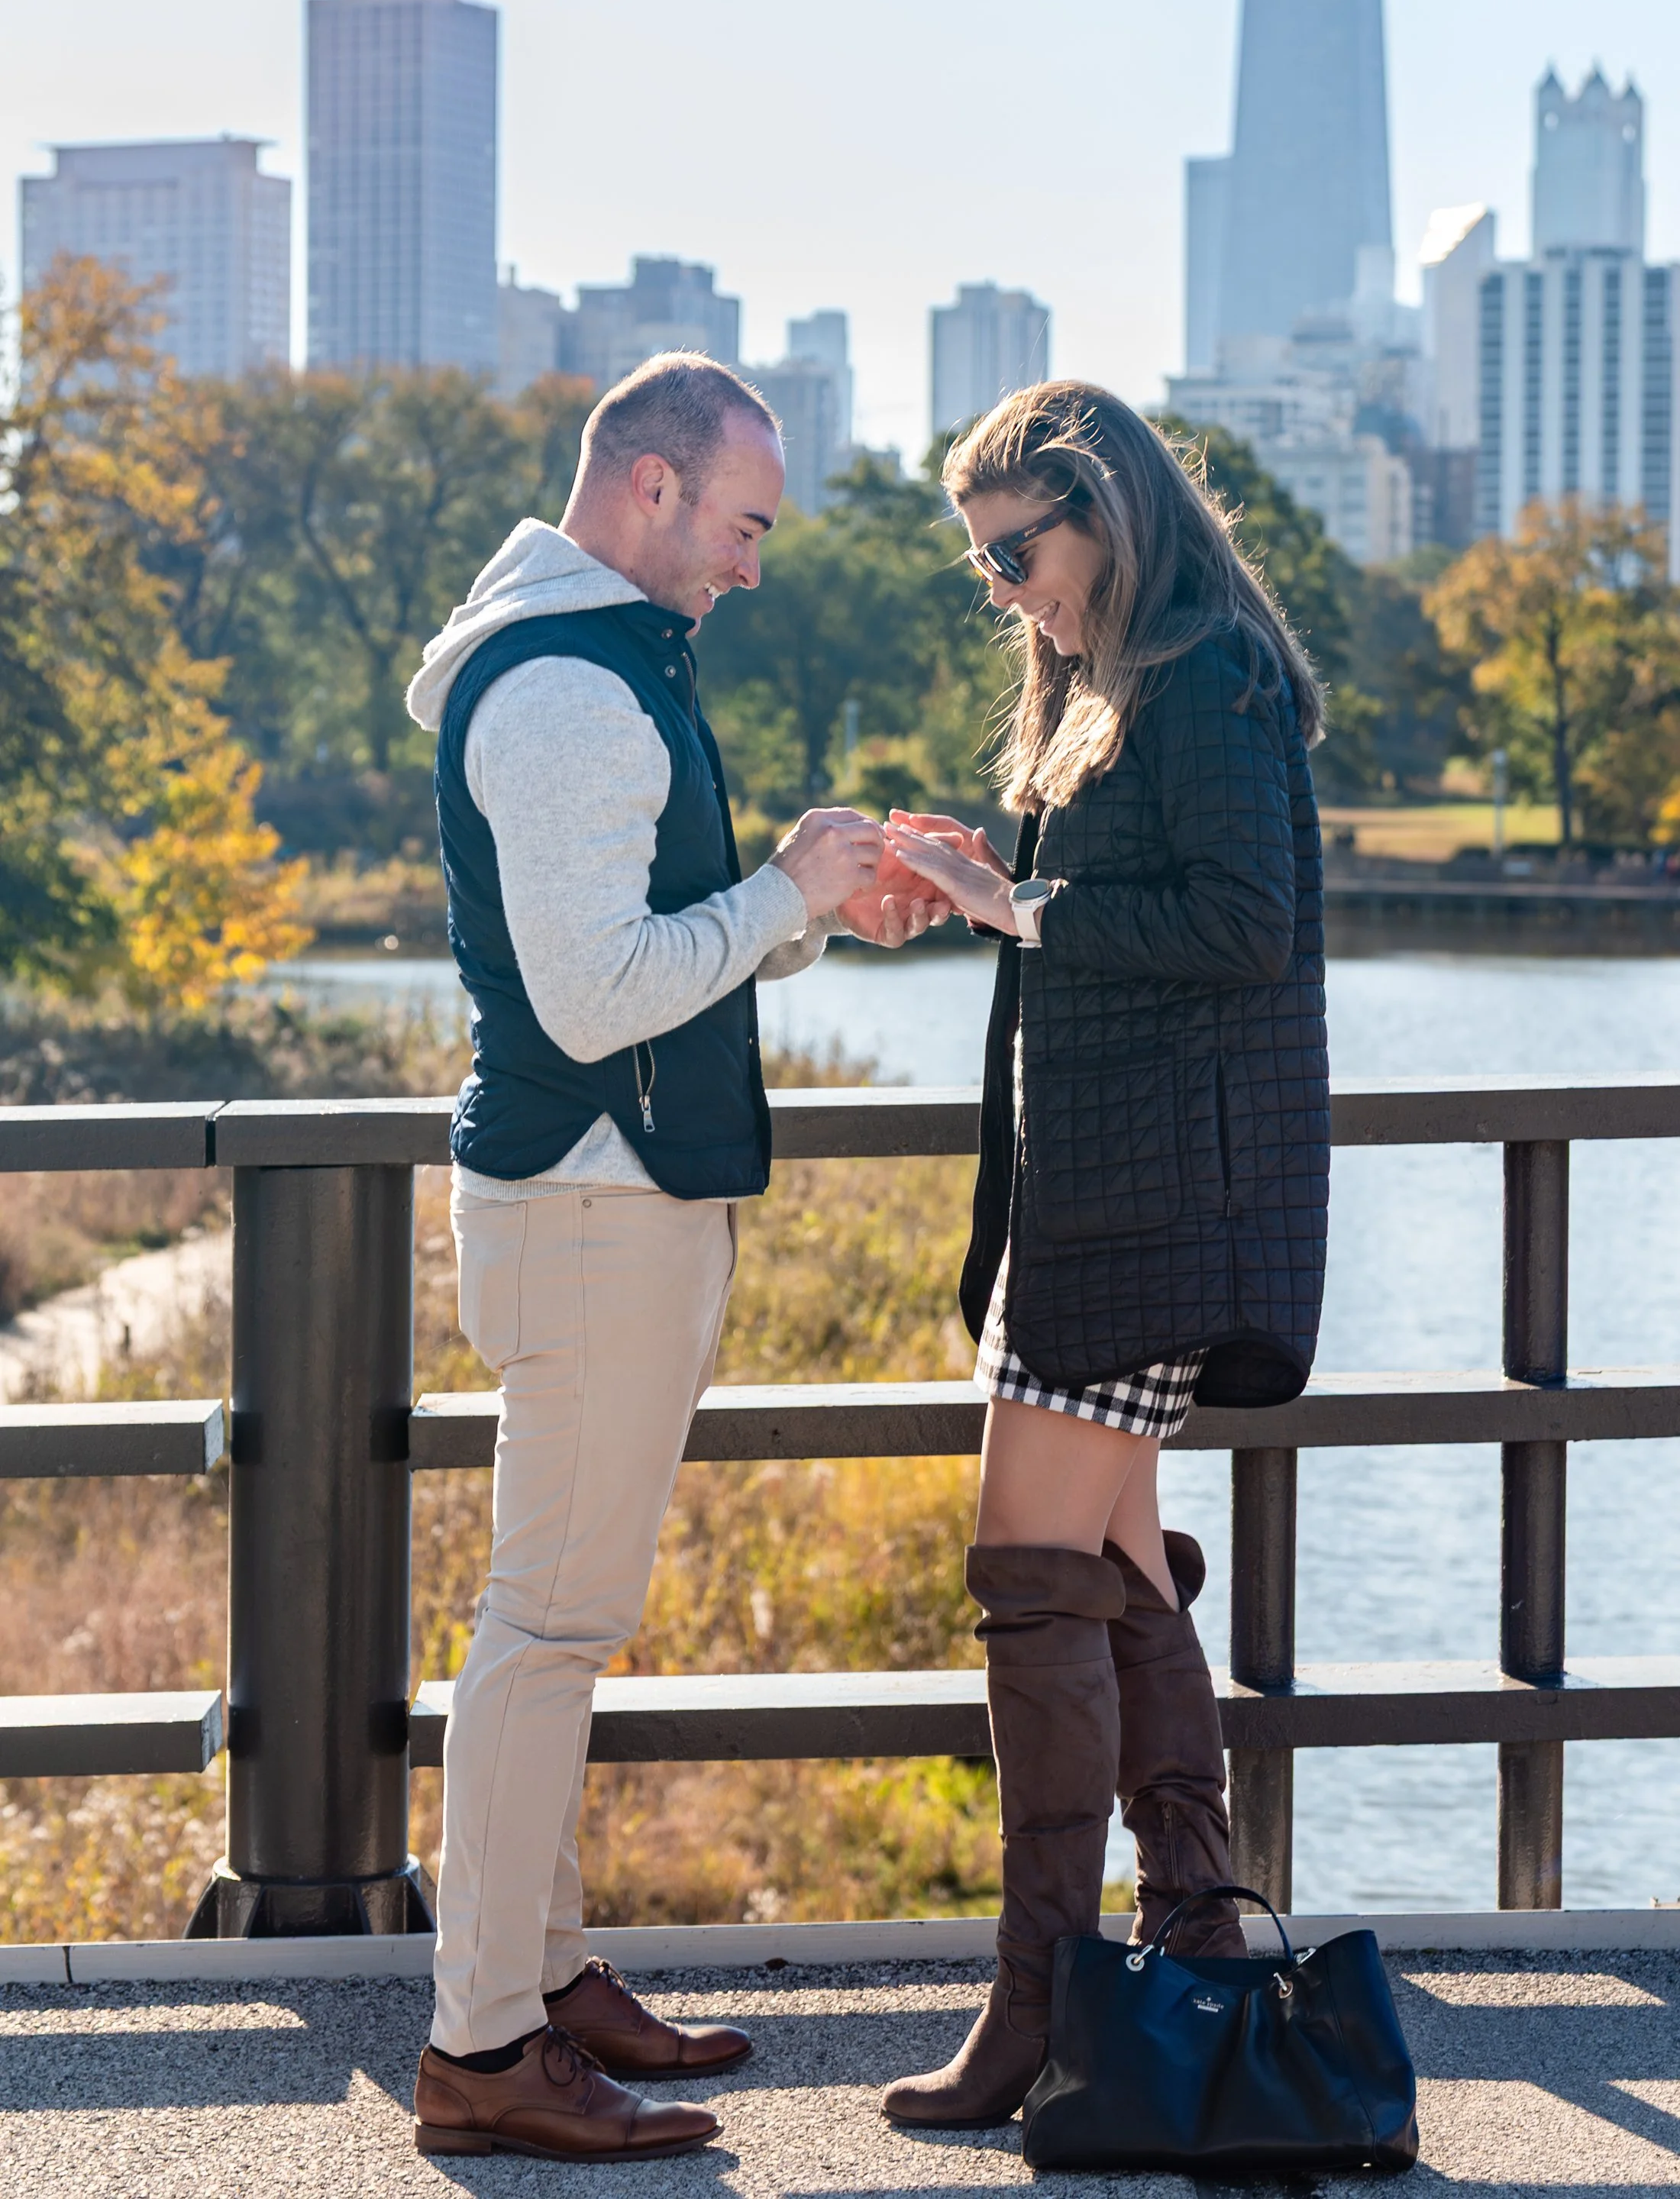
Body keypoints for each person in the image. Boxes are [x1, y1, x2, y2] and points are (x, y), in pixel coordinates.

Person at [402, 352, 945, 2162]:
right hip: (594, 1205)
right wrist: (787, 891)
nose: (754, 563)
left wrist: (806, 919)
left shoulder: (590, 656)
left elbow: (641, 954)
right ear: (644, 488)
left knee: (547, 1622)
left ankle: (542, 1983)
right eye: (742, 523)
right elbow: (590, 993)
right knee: (544, 1631)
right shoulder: (569, 689)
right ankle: (482, 2050)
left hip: (594, 1197)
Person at [877, 381, 1330, 2130]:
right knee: (1121, 1571)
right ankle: (1196, 1952)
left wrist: (1030, 906)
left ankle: (1045, 2001)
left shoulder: (1200, 669)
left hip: (1156, 1220)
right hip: (1114, 1207)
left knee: (1029, 1571)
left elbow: (1241, 922)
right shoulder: (1119, 689)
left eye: (1020, 550)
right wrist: (1010, 883)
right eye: (981, 566)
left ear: (1107, 513)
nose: (1006, 590)